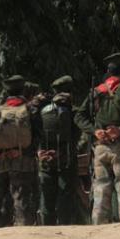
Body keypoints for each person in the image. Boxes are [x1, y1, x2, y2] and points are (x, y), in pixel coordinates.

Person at [75, 53, 120, 224]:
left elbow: (79, 116)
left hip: (100, 147)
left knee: (100, 186)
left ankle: (99, 225)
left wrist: (95, 131)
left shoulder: (96, 91)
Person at [0, 75, 41, 227]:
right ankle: (22, 233)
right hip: (21, 162)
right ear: (23, 89)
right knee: (21, 199)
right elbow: (38, 135)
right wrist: (25, 152)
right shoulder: (29, 109)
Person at [38, 75, 81, 225]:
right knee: (66, 194)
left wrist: (40, 151)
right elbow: (79, 134)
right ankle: (65, 226)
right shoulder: (74, 110)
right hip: (66, 158)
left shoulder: (42, 109)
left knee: (47, 195)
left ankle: (46, 228)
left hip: (45, 158)